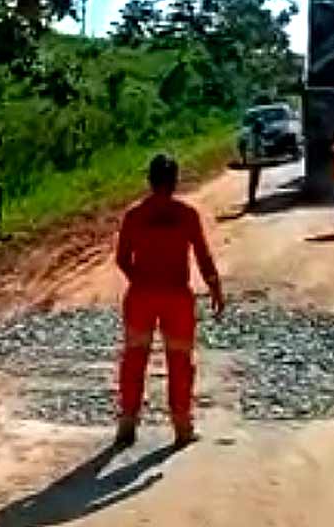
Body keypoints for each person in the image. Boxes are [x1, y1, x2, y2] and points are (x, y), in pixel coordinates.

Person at [114, 154, 225, 448]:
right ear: (175, 181)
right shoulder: (186, 214)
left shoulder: (134, 215)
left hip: (141, 296)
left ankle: (127, 423)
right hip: (177, 297)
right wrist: (214, 287)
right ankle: (181, 427)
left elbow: (122, 259)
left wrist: (140, 280)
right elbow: (203, 255)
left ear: (149, 180)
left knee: (134, 358)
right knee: (179, 361)